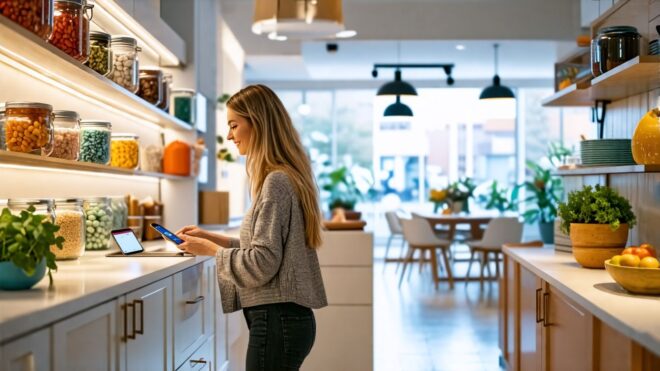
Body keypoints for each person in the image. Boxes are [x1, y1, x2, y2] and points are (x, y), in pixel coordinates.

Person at [175, 84, 327, 371]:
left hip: (277, 321)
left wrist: (208, 250)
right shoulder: (284, 176)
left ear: (257, 123)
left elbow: (261, 263)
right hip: (285, 322)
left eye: (234, 125)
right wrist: (209, 238)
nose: (230, 135)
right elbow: (263, 249)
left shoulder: (276, 182)